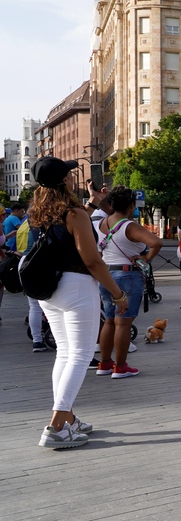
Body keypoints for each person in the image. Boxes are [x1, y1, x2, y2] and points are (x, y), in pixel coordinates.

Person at [27, 157, 129, 449]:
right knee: (82, 355)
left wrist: (94, 205)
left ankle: (69, 418)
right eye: (70, 174)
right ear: (64, 181)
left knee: (65, 353)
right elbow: (92, 260)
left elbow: (67, 231)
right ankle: (56, 426)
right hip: (77, 286)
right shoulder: (74, 214)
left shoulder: (38, 211)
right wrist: (117, 294)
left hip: (49, 290)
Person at [95, 186, 162, 378]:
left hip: (107, 276)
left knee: (109, 320)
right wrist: (146, 259)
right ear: (131, 205)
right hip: (127, 276)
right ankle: (121, 366)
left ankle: (105, 363)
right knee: (123, 324)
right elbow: (156, 242)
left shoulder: (102, 223)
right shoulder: (130, 226)